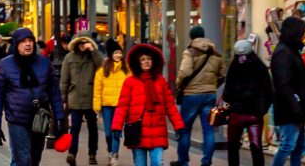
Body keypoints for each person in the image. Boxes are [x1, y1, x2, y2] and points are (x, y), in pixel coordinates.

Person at [0, 28, 65, 166]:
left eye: (30, 41)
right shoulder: (5, 65)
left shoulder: (44, 63)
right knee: (23, 160)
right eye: (23, 41)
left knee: (34, 159)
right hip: (17, 120)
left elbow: (54, 92)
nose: (28, 44)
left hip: (40, 119)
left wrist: (60, 119)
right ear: (16, 44)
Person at [109, 44, 184, 166]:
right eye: (142, 59)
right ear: (137, 62)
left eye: (149, 59)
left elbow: (170, 105)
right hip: (138, 132)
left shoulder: (161, 81)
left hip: (157, 130)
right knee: (140, 164)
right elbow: (122, 107)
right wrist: (117, 126)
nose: (146, 62)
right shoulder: (130, 82)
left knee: (158, 163)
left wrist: (178, 125)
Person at [173, 27, 225, 166]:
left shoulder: (190, 52)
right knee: (209, 131)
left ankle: (183, 161)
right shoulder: (216, 54)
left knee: (184, 129)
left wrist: (180, 85)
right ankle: (206, 162)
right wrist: (212, 86)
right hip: (210, 95)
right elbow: (222, 75)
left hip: (192, 95)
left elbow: (184, 73)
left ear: (192, 38)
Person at [270, 17, 305, 166]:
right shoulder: (284, 52)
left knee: (299, 146)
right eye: (302, 33)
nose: (304, 36)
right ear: (294, 33)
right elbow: (283, 85)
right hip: (290, 110)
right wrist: (296, 107)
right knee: (288, 146)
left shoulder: (290, 50)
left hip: (295, 109)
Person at [221, 39, 272, 166]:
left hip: (237, 114)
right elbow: (270, 93)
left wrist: (235, 100)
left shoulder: (233, 69)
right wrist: (263, 109)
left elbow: (226, 95)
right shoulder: (261, 68)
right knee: (256, 147)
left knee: (233, 147)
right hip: (256, 114)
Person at [61, 33, 106, 166]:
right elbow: (64, 80)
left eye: (85, 42)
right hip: (75, 98)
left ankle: (92, 154)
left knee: (93, 128)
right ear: (76, 43)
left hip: (92, 98)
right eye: (80, 42)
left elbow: (102, 66)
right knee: (75, 127)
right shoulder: (69, 58)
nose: (82, 45)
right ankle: (72, 154)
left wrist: (93, 50)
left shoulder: (94, 56)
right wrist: (63, 98)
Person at [93, 40, 130, 166]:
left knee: (116, 131)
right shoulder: (102, 70)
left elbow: (131, 87)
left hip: (121, 106)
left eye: (120, 53)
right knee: (108, 132)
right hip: (107, 105)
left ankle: (114, 155)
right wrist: (96, 106)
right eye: (115, 53)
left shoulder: (126, 70)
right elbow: (97, 89)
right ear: (110, 54)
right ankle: (110, 149)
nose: (118, 55)